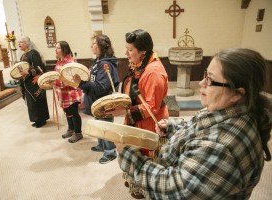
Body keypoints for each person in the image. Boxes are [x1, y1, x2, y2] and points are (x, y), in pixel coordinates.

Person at [116, 48, 272, 199]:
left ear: (237, 94)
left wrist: (129, 156)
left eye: (210, 79)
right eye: (205, 74)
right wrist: (173, 126)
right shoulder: (227, 108)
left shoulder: (222, 149)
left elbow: (174, 190)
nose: (201, 83)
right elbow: (202, 126)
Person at [108, 29, 169, 198]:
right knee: (130, 148)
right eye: (126, 49)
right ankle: (133, 179)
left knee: (143, 155)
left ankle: (143, 187)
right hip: (137, 117)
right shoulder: (141, 63)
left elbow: (152, 107)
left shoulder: (153, 71)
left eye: (130, 50)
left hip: (150, 121)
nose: (126, 54)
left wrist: (125, 110)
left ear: (142, 51)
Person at [73, 34, 120, 164]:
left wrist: (81, 83)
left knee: (105, 126)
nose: (91, 46)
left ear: (102, 46)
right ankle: (101, 145)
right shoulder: (97, 61)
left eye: (94, 43)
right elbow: (93, 80)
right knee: (99, 124)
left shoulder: (105, 64)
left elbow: (100, 87)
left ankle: (110, 152)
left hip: (104, 101)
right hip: (97, 101)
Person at [53, 41, 83, 143]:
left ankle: (78, 133)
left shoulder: (70, 63)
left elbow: (71, 80)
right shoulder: (59, 61)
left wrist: (56, 83)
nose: (55, 50)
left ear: (64, 49)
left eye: (58, 48)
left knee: (74, 113)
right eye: (55, 48)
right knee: (68, 112)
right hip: (62, 93)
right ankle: (71, 129)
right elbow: (57, 75)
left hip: (71, 93)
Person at [18, 36, 49, 128]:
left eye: (21, 42)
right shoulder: (23, 56)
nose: (19, 44)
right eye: (18, 42)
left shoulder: (33, 53)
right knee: (31, 103)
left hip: (35, 82)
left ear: (27, 44)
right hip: (27, 83)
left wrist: (27, 72)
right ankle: (36, 119)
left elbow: (39, 68)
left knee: (38, 101)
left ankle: (41, 120)